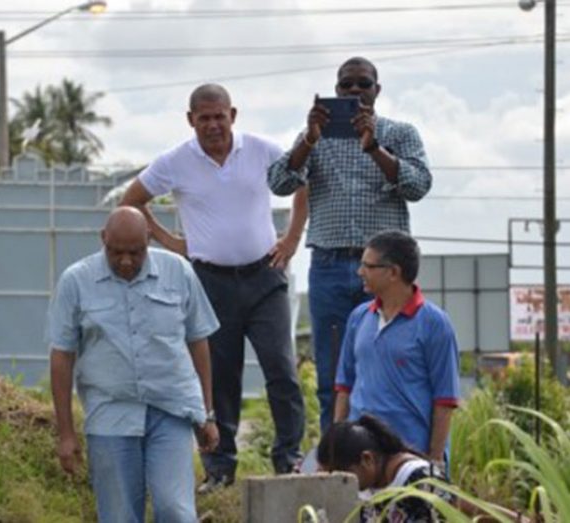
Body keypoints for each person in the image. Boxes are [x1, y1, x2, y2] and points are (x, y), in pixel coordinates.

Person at [121, 84, 308, 491]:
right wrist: (167, 239)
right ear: (191, 120)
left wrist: (292, 238)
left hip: (265, 278)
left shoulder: (262, 150)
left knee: (281, 369)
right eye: (203, 118)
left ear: (233, 115)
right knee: (218, 378)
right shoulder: (176, 161)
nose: (212, 125)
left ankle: (290, 459)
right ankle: (220, 468)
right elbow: (130, 200)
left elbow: (303, 182)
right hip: (208, 283)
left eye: (219, 116)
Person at [267, 56, 433, 431]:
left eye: (363, 84)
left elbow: (419, 186)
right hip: (330, 266)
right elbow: (278, 182)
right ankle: (337, 459)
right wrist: (309, 140)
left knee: (390, 368)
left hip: (388, 272)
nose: (355, 91)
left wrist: (374, 148)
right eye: (346, 85)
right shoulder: (315, 138)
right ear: (335, 91)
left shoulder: (400, 134)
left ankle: (386, 457)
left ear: (377, 90)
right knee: (334, 376)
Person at [49, 207, 220, 523]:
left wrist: (206, 413)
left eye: (136, 252)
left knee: (176, 511)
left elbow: (199, 342)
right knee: (119, 516)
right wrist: (66, 434)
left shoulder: (178, 272)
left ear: (149, 240)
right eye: (116, 252)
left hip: (171, 409)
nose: (126, 261)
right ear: (103, 239)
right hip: (110, 413)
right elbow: (61, 357)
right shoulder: (76, 281)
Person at [333, 231, 460, 466]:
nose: (360, 272)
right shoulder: (358, 318)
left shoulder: (435, 324)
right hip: (362, 460)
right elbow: (344, 387)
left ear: (393, 272)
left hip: (411, 458)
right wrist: (335, 448)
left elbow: (445, 400)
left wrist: (434, 462)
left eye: (368, 266)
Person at [317, 415, 451, 522]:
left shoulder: (421, 479)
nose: (340, 485)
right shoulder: (366, 488)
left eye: (344, 478)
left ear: (367, 459)